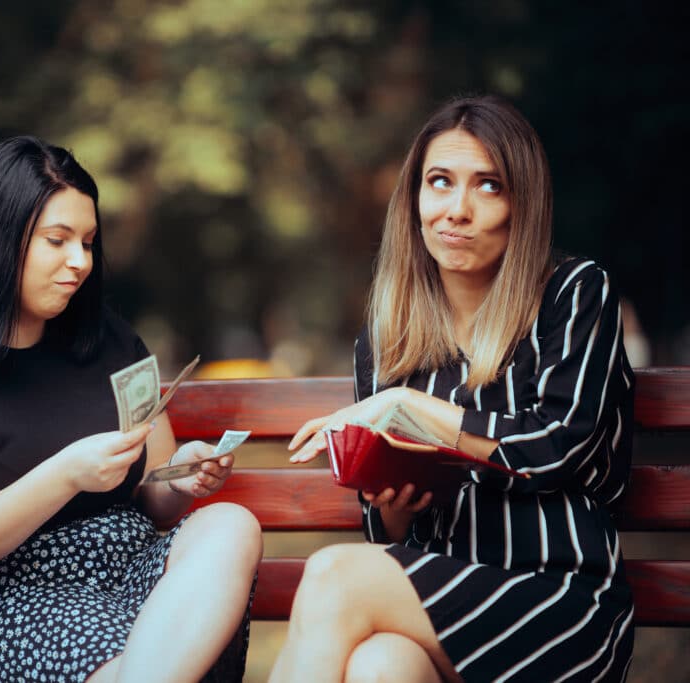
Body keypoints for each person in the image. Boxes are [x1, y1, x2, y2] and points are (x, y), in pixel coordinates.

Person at [271, 96, 635, 682]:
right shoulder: (387, 335)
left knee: (336, 574)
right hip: (436, 595)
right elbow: (383, 531)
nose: (456, 210)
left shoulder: (574, 293)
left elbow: (560, 446)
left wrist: (411, 406)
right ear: (414, 198)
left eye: (488, 186)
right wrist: (391, 509)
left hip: (560, 594)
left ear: (523, 204)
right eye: (439, 182)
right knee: (378, 666)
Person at [0, 136, 261, 683]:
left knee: (229, 524)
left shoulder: (115, 343)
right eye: (57, 240)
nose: (80, 262)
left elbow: (153, 500)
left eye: (88, 242)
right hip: (8, 599)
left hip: (131, 576)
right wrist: (67, 474)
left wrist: (179, 479)